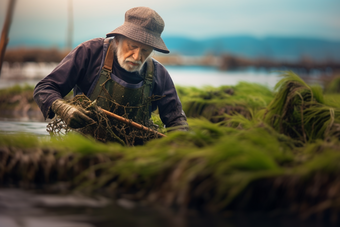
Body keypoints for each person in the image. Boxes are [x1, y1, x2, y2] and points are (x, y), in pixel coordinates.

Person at [34, 6, 188, 133]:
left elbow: (176, 121)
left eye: (145, 51)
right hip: (84, 148)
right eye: (132, 47)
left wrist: (182, 140)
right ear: (118, 39)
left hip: (132, 155)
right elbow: (44, 88)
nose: (136, 57)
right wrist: (63, 108)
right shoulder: (90, 53)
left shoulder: (158, 73)